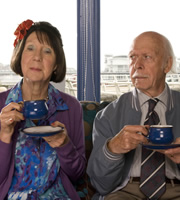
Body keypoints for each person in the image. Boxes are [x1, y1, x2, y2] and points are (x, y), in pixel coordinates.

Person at [87, 31, 180, 200]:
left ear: (167, 64)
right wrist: (113, 149)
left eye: (147, 56)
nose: (137, 64)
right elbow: (99, 184)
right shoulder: (107, 116)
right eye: (132, 57)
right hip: (124, 192)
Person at [0, 19, 86, 199]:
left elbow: (78, 175)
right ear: (20, 55)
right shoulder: (2, 104)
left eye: (47, 51)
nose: (37, 57)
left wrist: (64, 145)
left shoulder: (71, 106)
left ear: (56, 64)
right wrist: (5, 134)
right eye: (30, 48)